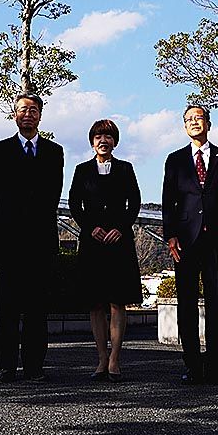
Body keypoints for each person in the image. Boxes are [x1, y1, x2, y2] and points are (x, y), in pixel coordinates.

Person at [0, 93, 64, 383]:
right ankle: (6, 366)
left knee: (36, 308)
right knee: (7, 306)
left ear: (40, 115)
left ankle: (34, 366)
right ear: (14, 115)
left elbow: (53, 194)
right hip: (8, 240)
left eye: (33, 110)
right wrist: (9, 219)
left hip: (41, 241)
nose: (28, 114)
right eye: (22, 110)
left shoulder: (54, 152)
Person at [162, 105, 218, 384]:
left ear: (209, 123)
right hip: (185, 240)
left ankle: (215, 363)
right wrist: (170, 235)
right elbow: (168, 200)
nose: (195, 122)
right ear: (185, 126)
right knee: (187, 302)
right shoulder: (175, 159)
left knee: (216, 301)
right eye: (189, 119)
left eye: (199, 118)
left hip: (216, 240)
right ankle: (192, 363)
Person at [68, 119, 142, 382]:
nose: (103, 140)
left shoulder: (125, 168)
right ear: (92, 142)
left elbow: (134, 202)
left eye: (108, 136)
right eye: (98, 136)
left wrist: (121, 228)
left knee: (117, 301)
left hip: (119, 242)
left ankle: (114, 359)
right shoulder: (81, 170)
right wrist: (90, 228)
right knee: (96, 302)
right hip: (93, 243)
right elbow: (74, 203)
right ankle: (101, 358)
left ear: (115, 142)